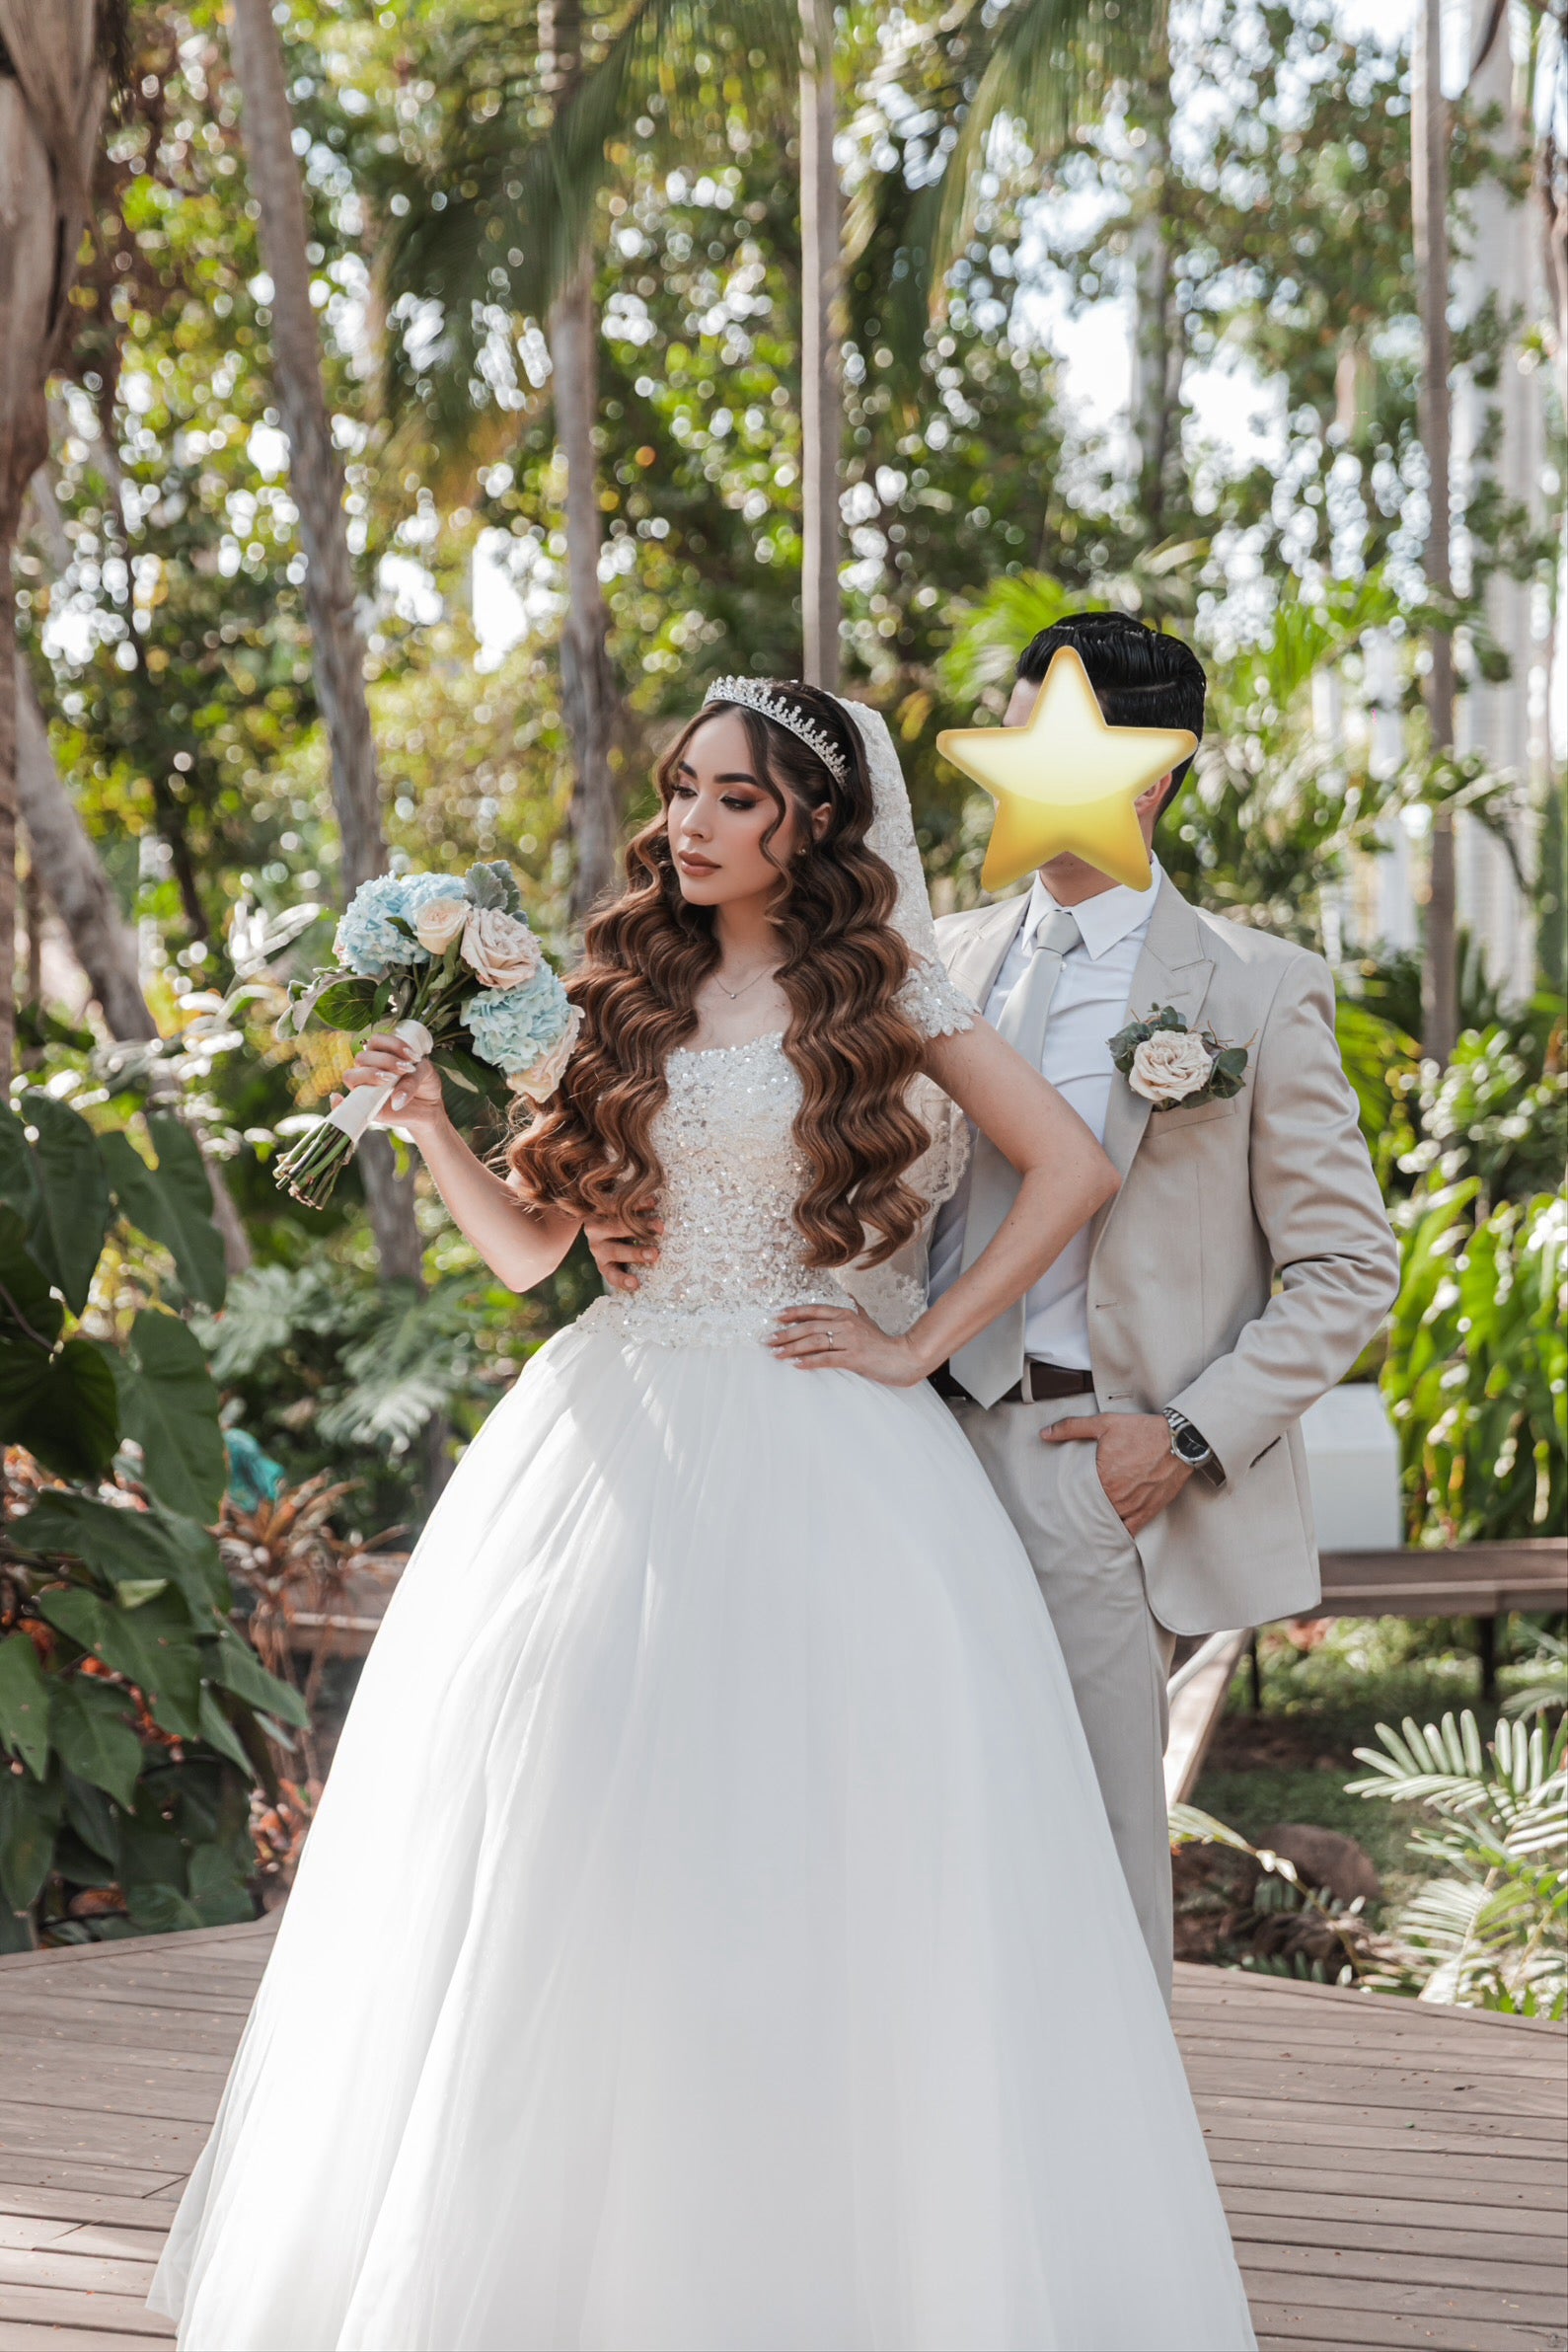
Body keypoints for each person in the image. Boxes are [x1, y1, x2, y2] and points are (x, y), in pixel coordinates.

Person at [151, 679, 1256, 2352]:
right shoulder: (628, 994)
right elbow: (535, 1253)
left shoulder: (893, 995)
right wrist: (435, 1126)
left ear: (808, 825)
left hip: (829, 1440)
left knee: (828, 1846)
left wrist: (917, 1344)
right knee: (572, 1826)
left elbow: (1073, 1172)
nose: (687, 821)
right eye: (679, 790)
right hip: (612, 1435)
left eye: (731, 799)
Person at [592, 619, 1399, 2004]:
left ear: (1142, 778)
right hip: (873, 1448)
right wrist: (642, 1224)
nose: (999, 768)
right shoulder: (907, 953)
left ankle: (1109, 2185)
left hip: (1084, 1465)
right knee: (877, 1824)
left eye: (1039, 739)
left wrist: (1187, 1438)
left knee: (1085, 1839)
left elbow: (1345, 1268)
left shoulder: (1255, 993)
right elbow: (788, 1148)